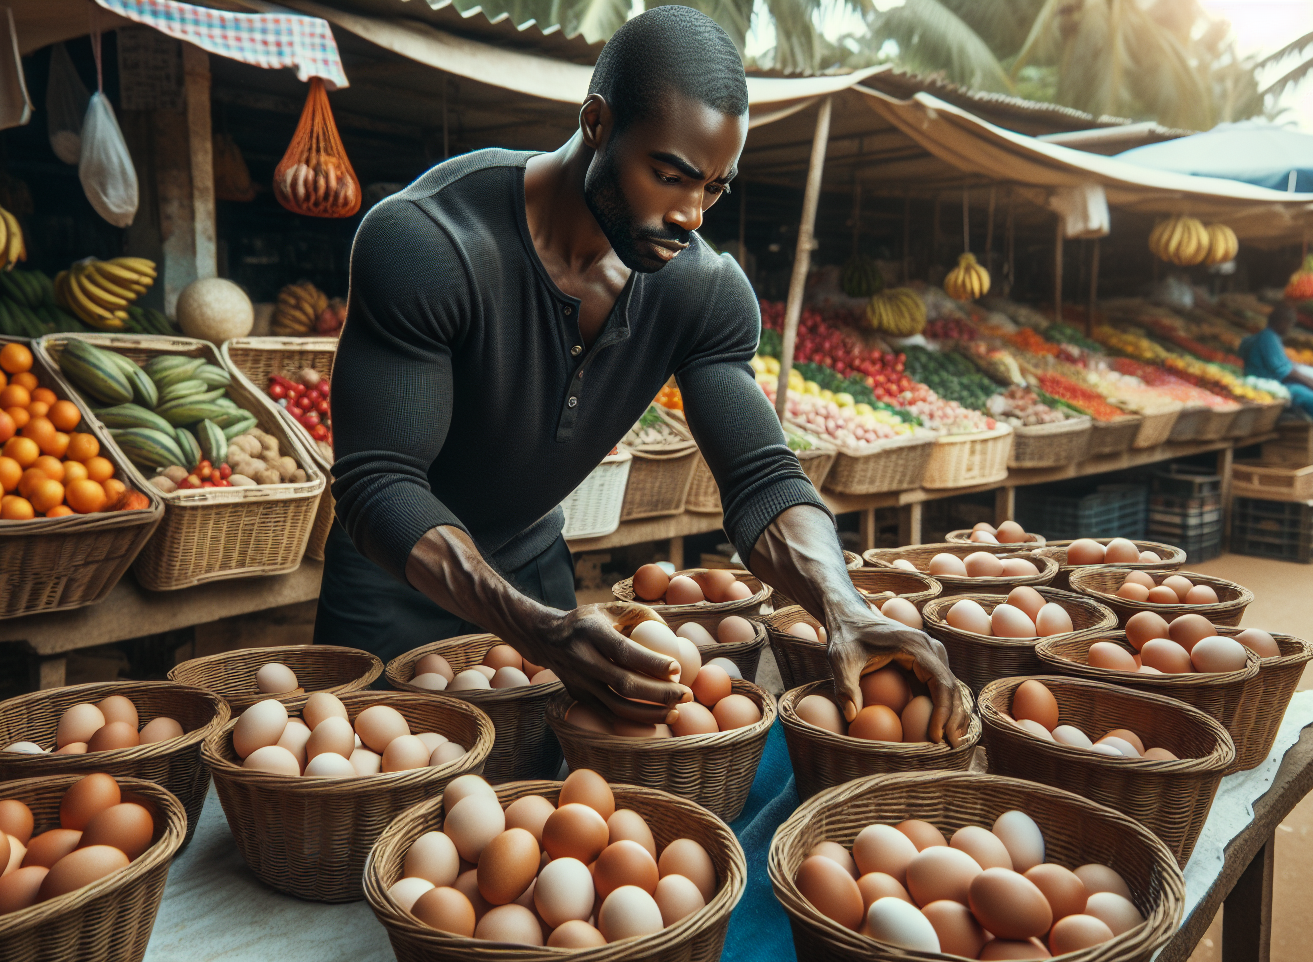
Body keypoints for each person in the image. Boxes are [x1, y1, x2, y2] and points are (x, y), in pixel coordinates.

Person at [314, 7, 967, 740]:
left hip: (535, 577)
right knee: (366, 809)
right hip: (394, 586)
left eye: (716, 187)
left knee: (538, 815)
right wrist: (541, 629)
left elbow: (762, 479)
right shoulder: (429, 242)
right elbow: (378, 486)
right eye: (670, 176)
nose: (692, 214)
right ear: (598, 124)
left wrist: (844, 605)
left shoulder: (701, 289)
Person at [1239, 303, 1313, 488]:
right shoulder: (1268, 338)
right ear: (1282, 322)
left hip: (1274, 385)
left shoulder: (1263, 338)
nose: (1290, 329)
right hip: (1273, 388)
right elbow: (1287, 372)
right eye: (1290, 324)